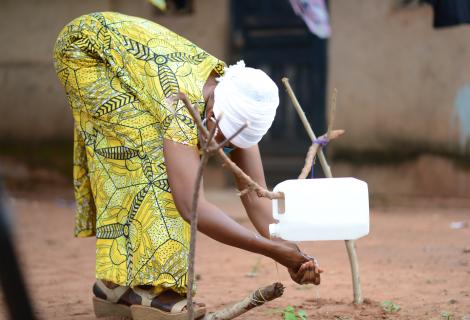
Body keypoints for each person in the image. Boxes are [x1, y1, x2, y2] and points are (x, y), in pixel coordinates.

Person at [53, 11, 322, 320]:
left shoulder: (240, 107)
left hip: (121, 58)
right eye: (222, 135)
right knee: (155, 165)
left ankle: (115, 289)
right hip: (85, 51)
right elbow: (191, 207)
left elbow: (255, 198)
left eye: (233, 142)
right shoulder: (183, 104)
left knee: (153, 160)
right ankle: (155, 292)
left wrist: (292, 253)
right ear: (212, 110)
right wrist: (270, 250)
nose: (224, 146)